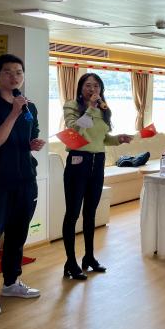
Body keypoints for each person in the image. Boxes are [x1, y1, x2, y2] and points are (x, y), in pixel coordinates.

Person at [0, 54, 45, 315]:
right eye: (8, 72)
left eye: (19, 72)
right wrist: (13, 113)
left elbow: (28, 137)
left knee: (17, 234)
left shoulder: (29, 106)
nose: (14, 77)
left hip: (26, 180)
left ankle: (12, 282)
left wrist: (33, 144)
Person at [62, 73, 133, 280]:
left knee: (90, 213)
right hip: (78, 161)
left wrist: (118, 139)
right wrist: (91, 108)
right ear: (80, 87)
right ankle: (70, 261)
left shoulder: (104, 109)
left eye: (96, 86)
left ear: (101, 89)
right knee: (72, 213)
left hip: (98, 161)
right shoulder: (72, 106)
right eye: (88, 85)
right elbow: (75, 129)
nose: (92, 89)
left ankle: (89, 257)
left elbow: (102, 138)